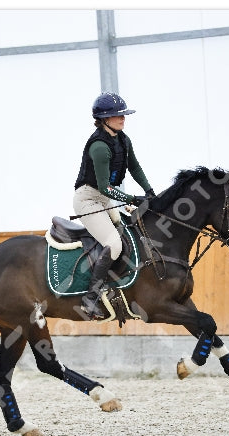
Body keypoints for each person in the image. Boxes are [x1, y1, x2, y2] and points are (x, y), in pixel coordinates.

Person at [73, 92, 156, 319]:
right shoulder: (99, 146)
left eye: (123, 114)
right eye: (117, 115)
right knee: (114, 244)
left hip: (104, 198)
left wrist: (149, 191)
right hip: (88, 199)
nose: (122, 118)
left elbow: (135, 168)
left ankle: (118, 285)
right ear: (104, 119)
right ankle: (90, 298)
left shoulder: (123, 139)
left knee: (127, 231)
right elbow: (104, 187)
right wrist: (132, 199)